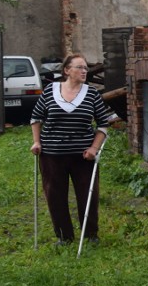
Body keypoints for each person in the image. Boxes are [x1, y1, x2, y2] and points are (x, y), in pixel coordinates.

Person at [30, 54, 120, 245]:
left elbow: (103, 125)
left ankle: (90, 235)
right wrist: (36, 142)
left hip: (83, 157)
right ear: (67, 70)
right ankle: (64, 237)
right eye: (79, 67)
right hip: (52, 155)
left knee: (88, 195)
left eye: (86, 68)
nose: (84, 71)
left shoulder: (92, 94)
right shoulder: (50, 91)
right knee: (55, 195)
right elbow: (36, 118)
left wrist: (94, 148)